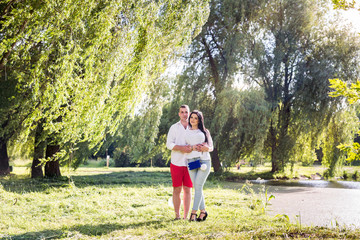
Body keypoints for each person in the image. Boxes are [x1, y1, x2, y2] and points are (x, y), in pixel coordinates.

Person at [185, 110, 213, 222]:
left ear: (199, 120)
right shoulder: (186, 132)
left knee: (198, 185)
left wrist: (207, 148)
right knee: (197, 187)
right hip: (191, 161)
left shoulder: (205, 132)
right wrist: (191, 148)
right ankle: (203, 211)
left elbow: (211, 147)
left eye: (195, 118)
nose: (192, 119)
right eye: (191, 117)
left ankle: (193, 213)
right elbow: (184, 147)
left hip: (204, 161)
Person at [166, 105, 193, 220]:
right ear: (179, 114)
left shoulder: (194, 127)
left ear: (189, 113)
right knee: (177, 189)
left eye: (186, 112)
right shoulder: (174, 127)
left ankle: (185, 216)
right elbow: (169, 144)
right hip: (176, 162)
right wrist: (181, 148)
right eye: (182, 112)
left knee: (188, 189)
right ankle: (177, 215)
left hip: (192, 163)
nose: (184, 114)